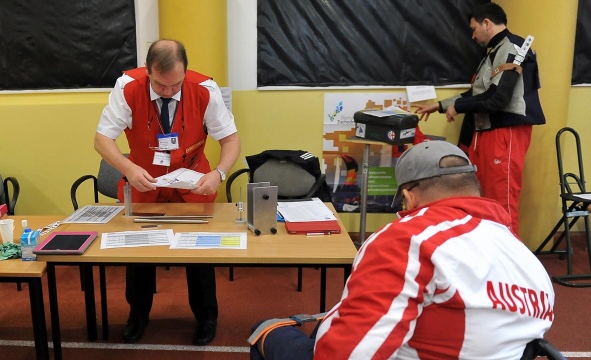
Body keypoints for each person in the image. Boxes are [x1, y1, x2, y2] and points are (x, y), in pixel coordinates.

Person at [250, 140, 554, 359]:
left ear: (409, 196)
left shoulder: (410, 239)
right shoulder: (523, 254)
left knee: (266, 330)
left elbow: (347, 355)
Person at [95, 39, 241, 345]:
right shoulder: (127, 86)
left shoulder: (205, 89)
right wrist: (129, 168)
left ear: (185, 71)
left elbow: (230, 140)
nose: (168, 91)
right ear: (148, 71)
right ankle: (137, 315)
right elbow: (102, 141)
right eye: (160, 85)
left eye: (175, 85)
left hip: (193, 186)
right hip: (145, 183)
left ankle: (206, 317)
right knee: (138, 255)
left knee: (199, 255)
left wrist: (219, 173)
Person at [412, 2, 546, 235]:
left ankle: (509, 265)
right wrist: (440, 106)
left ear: (487, 23)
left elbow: (497, 98)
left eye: (473, 29)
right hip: (486, 132)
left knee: (501, 201)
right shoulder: (494, 52)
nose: (472, 36)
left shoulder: (512, 47)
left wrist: (459, 106)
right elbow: (478, 93)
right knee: (481, 199)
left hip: (505, 132)